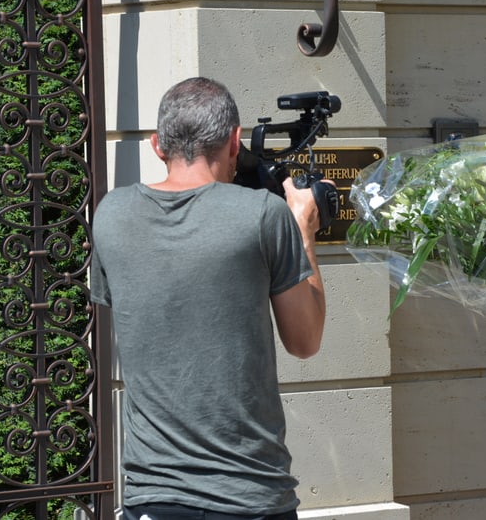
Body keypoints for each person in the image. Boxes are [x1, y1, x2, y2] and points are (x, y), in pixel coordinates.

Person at [90, 77, 326, 520]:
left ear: (158, 145)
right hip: (249, 494)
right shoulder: (262, 214)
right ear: (234, 141)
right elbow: (305, 340)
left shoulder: (111, 215)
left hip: (151, 497)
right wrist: (304, 231)